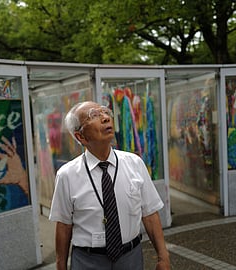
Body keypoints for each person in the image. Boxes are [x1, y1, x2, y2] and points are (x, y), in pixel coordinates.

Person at [49, 101, 170, 270]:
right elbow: (63, 225)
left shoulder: (134, 163)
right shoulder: (67, 175)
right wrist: (61, 266)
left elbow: (149, 214)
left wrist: (163, 257)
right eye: (94, 116)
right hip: (88, 260)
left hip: (131, 257)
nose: (105, 118)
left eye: (105, 112)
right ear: (80, 136)